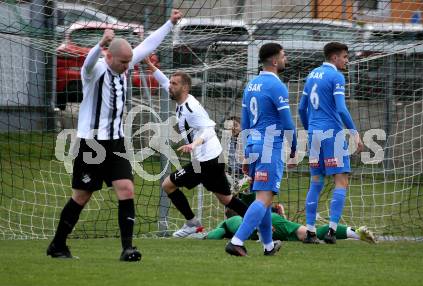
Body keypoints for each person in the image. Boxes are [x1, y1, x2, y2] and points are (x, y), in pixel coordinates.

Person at [46, 10, 183, 261]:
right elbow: (87, 64)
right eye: (121, 62)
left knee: (127, 189)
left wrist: (170, 24)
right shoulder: (95, 71)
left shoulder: (125, 64)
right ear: (109, 57)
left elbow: (148, 44)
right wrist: (100, 44)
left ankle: (127, 248)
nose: (125, 67)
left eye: (128, 62)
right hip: (92, 143)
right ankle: (57, 245)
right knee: (82, 195)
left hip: (116, 143)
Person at [145, 58, 249, 238]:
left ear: (184, 88)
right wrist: (150, 65)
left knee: (168, 184)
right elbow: (163, 81)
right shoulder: (181, 98)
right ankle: (262, 224)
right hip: (214, 158)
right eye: (170, 83)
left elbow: (209, 129)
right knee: (226, 199)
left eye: (174, 84)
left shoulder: (191, 108)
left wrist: (194, 144)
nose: (169, 86)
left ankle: (192, 223)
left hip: (206, 161)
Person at [224, 43, 297, 257]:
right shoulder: (277, 86)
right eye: (284, 55)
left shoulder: (251, 85)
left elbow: (245, 125)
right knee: (264, 198)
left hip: (254, 146)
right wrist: (294, 148)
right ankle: (237, 241)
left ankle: (268, 245)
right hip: (269, 146)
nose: (286, 58)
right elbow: (287, 123)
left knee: (262, 198)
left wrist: (246, 154)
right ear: (274, 61)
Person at [298, 42, 363, 244]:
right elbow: (342, 109)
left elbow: (301, 108)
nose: (347, 60)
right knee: (341, 180)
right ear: (334, 57)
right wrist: (354, 133)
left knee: (316, 182)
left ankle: (310, 232)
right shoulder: (336, 77)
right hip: (333, 135)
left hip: (315, 134)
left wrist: (311, 130)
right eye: (344, 56)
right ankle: (331, 232)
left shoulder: (312, 75)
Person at [205, 213, 377, 244]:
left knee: (309, 233)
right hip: (272, 221)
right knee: (310, 234)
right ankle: (354, 232)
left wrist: (204, 236)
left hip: (268, 221)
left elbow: (215, 235)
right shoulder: (233, 224)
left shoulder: (231, 222)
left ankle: (354, 233)